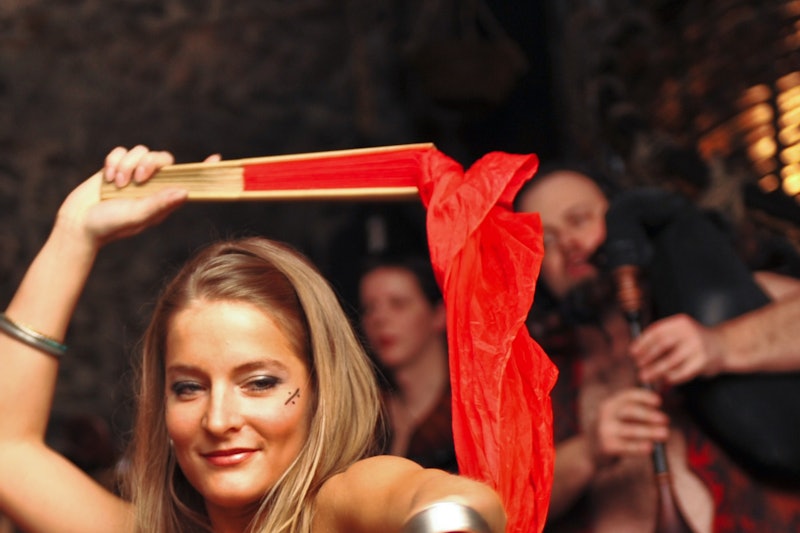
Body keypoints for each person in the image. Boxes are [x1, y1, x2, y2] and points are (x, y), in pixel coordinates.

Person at [0, 146, 505, 533]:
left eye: (260, 382)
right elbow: (7, 450)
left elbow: (446, 497)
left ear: (319, 388)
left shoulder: (336, 508)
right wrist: (75, 232)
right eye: (188, 388)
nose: (218, 420)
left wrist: (446, 516)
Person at [514, 165, 800, 532]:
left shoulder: (712, 293)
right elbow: (500, 508)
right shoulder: (536, 377)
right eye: (546, 241)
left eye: (579, 219)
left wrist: (723, 343)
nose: (569, 243)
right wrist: (588, 452)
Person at [358, 254, 457, 472]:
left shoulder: (468, 413)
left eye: (398, 304)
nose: (379, 318)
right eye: (369, 308)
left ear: (439, 314)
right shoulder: (366, 414)